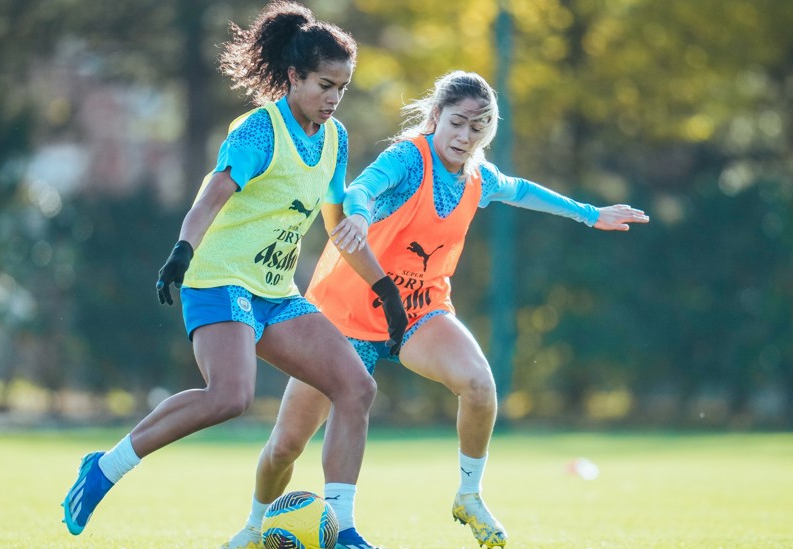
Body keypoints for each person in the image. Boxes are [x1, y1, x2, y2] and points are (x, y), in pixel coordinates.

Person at [222, 70, 649, 549]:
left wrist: (591, 214)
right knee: (285, 447)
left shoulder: (477, 177)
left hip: (418, 314)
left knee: (479, 384)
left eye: (479, 126)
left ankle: (463, 496)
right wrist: (358, 212)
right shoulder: (408, 157)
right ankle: (254, 528)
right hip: (344, 315)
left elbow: (521, 190)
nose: (466, 136)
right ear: (435, 117)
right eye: (458, 122)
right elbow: (361, 188)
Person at [60, 1, 407, 544]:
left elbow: (341, 231)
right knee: (230, 396)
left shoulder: (336, 141)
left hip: (273, 293)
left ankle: (344, 531)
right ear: (293, 76)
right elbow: (210, 196)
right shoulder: (258, 131)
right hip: (219, 279)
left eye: (343, 87)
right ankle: (105, 469)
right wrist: (181, 252)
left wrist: (383, 287)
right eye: (323, 84)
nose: (334, 98)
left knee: (356, 387)